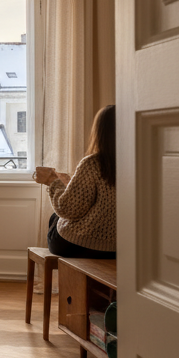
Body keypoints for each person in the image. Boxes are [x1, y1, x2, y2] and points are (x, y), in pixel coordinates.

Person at [34, 105, 117, 259]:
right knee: (57, 218)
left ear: (100, 131)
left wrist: (52, 181)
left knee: (55, 217)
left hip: (83, 245)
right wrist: (71, 184)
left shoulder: (93, 163)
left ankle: (67, 279)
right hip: (120, 246)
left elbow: (68, 209)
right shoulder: (141, 163)